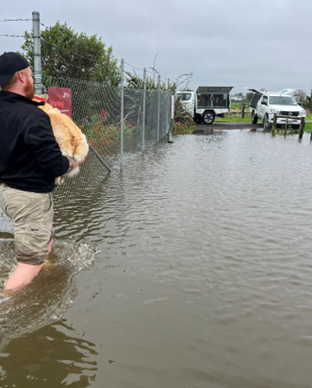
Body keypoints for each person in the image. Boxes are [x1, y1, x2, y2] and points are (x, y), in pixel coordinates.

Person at [0, 52, 84, 291]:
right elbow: (54, 165)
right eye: (29, 74)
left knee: (45, 241)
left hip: (7, 191)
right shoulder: (33, 117)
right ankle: (6, 310)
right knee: (28, 265)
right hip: (29, 197)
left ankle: (45, 265)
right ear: (22, 76)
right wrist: (74, 162)